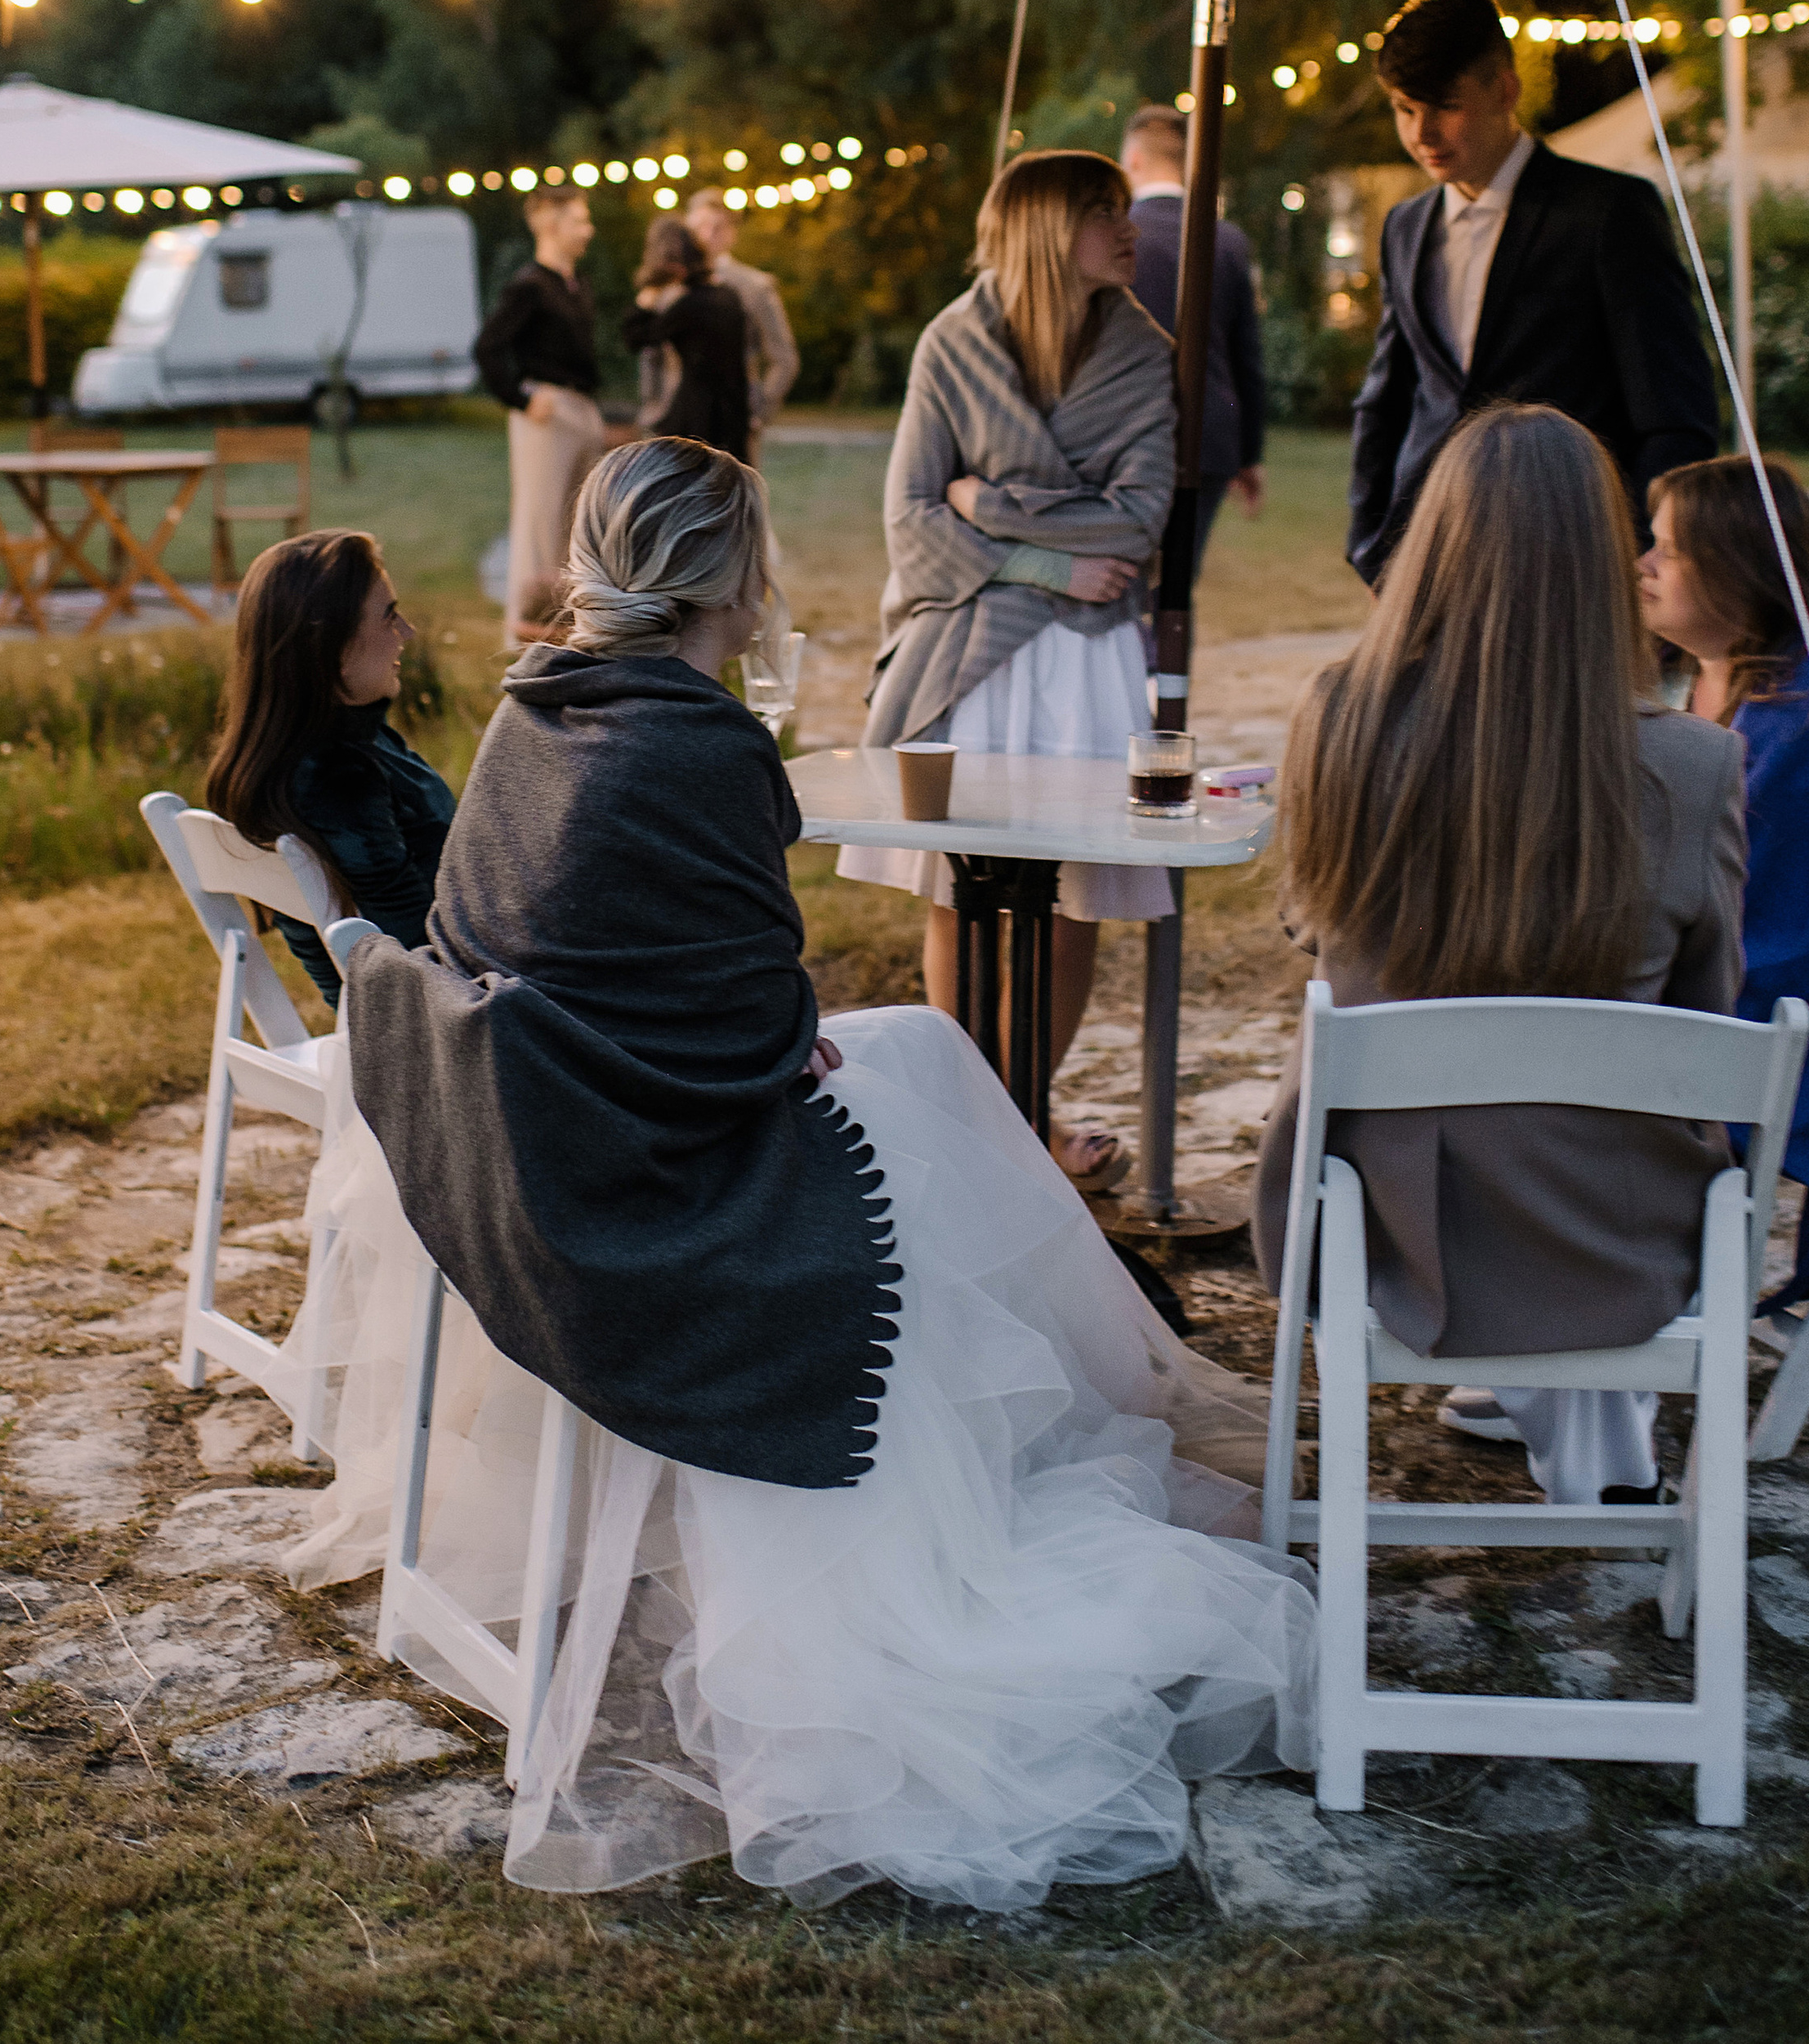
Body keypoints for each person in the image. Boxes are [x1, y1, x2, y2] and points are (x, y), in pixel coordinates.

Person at [288, 435, 1315, 1905]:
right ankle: (1023, 1462)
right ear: (734, 577)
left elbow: (556, 944)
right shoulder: (700, 742)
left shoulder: (537, 705)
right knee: (921, 1144)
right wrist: (767, 1035)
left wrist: (762, 1031)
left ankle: (1071, 1415)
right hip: (641, 1163)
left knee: (931, 1055)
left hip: (530, 1126)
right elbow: (749, 1008)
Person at [1254, 403, 1746, 1506]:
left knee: (1476, 1118)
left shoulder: (1338, 717)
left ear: (1433, 546)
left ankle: (1549, 1406)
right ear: (1602, 563)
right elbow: (1706, 1014)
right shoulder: (1697, 764)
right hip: (1607, 1240)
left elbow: (1312, 925)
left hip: (1385, 1226)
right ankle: (1595, 1449)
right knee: (1600, 1130)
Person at [837, 150, 1174, 1193]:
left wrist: (989, 505)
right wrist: (1046, 563)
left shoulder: (1142, 351)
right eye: (1102, 212)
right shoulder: (953, 341)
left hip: (1086, 657)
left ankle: (1022, 1114)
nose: (1127, 229)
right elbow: (910, 515)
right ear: (1043, 229)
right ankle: (965, 1116)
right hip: (975, 651)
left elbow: (1139, 518)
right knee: (961, 887)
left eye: (1123, 209)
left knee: (1072, 893)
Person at [1347, 0, 1717, 584]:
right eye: (1404, 109)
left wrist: (1632, 554)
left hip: (1572, 549)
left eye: (1445, 107)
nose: (1422, 133)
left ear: (1504, 89)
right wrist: (1369, 545)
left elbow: (1674, 411)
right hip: (1428, 554)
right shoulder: (1405, 227)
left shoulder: (1608, 212)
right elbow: (1387, 397)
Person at [1640, 454, 1809, 1312]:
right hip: (1721, 983)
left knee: (1544, 1055)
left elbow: (1777, 926)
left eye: (1668, 549)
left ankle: (1598, 1308)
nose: (1643, 564)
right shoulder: (1699, 674)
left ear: (1736, 567)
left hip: (1798, 1023)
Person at [203, 529, 455, 1006]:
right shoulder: (335, 778)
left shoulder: (304, 756)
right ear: (332, 647)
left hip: (401, 1009)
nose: (406, 633)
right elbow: (414, 954)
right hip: (433, 1020)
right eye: (389, 616)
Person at [1119, 102, 1266, 566]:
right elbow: (1246, 356)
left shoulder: (1117, 235)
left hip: (1125, 431)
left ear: (1134, 159)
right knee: (1178, 579)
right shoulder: (1228, 240)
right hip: (1208, 434)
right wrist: (1249, 454)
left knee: (1129, 580)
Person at [476, 189, 605, 646]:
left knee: (578, 526)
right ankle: (525, 638)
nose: (588, 230)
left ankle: (571, 632)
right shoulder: (529, 286)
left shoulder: (577, 284)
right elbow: (488, 348)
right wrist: (521, 398)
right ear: (550, 224)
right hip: (547, 415)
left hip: (582, 408)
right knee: (540, 524)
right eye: (579, 221)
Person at [621, 215, 752, 461]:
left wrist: (649, 294)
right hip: (731, 418)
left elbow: (635, 337)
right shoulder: (728, 297)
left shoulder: (689, 306)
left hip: (697, 420)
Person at [686, 185, 800, 455]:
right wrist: (654, 407)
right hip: (679, 419)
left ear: (731, 233)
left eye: (717, 227)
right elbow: (653, 353)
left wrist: (759, 410)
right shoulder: (672, 283)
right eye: (699, 226)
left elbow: (784, 358)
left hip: (732, 418)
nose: (707, 235)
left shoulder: (755, 286)